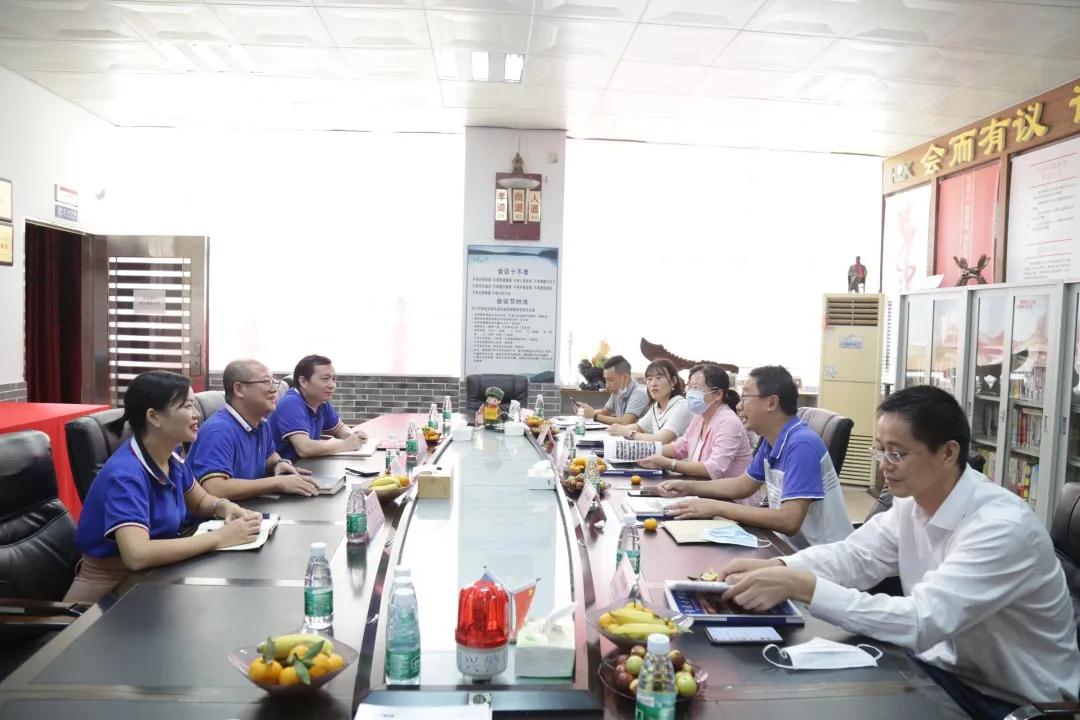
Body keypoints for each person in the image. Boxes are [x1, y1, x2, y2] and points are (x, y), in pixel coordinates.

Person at [716, 386, 1080, 719]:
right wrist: (781, 566)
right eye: (880, 449)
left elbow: (921, 621)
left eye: (897, 453)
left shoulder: (1001, 527)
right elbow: (855, 556)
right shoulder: (913, 503)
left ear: (948, 453)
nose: (883, 464)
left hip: (1012, 702)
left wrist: (802, 586)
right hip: (941, 669)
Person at [64, 371, 263, 603]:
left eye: (194, 405)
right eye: (187, 406)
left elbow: (199, 501)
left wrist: (224, 507)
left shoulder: (170, 455)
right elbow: (137, 554)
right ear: (154, 417)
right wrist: (219, 538)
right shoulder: (126, 475)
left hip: (155, 576)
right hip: (109, 594)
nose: (197, 414)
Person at [658, 365, 851, 548]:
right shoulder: (771, 440)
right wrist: (687, 487)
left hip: (824, 558)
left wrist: (716, 507)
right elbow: (742, 485)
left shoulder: (802, 445)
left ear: (771, 403)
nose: (739, 406)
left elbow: (789, 521)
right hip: (790, 548)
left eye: (745, 397)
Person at [186, 359, 320, 501]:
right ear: (239, 389)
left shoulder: (261, 422)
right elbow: (215, 488)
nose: (274, 389)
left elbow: (269, 455)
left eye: (274, 382)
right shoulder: (218, 431)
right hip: (220, 514)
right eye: (266, 382)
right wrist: (277, 483)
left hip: (248, 508)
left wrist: (279, 463)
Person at [635, 364, 756, 503]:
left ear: (717, 394)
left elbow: (713, 468)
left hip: (731, 502)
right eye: (690, 387)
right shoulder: (700, 417)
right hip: (704, 494)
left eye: (696, 388)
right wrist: (643, 452)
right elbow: (680, 447)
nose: (691, 393)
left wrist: (670, 464)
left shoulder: (728, 422)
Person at [270, 354, 368, 461]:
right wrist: (345, 445)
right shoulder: (290, 403)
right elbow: (305, 449)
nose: (332, 385)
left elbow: (338, 428)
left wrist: (353, 435)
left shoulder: (321, 402)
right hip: (284, 468)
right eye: (325, 379)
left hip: (305, 465)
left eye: (334, 379)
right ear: (303, 381)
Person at [607, 359, 692, 444]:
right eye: (649, 379)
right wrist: (616, 429)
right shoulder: (657, 406)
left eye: (659, 378)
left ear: (673, 381)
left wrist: (628, 433)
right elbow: (639, 427)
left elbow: (662, 440)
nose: (653, 383)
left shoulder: (682, 406)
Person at [576, 355, 649, 426]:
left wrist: (594, 415)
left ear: (625, 377)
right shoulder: (617, 391)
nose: (607, 386)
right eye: (606, 380)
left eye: (610, 380)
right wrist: (586, 410)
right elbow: (605, 412)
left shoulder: (639, 393)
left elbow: (625, 422)